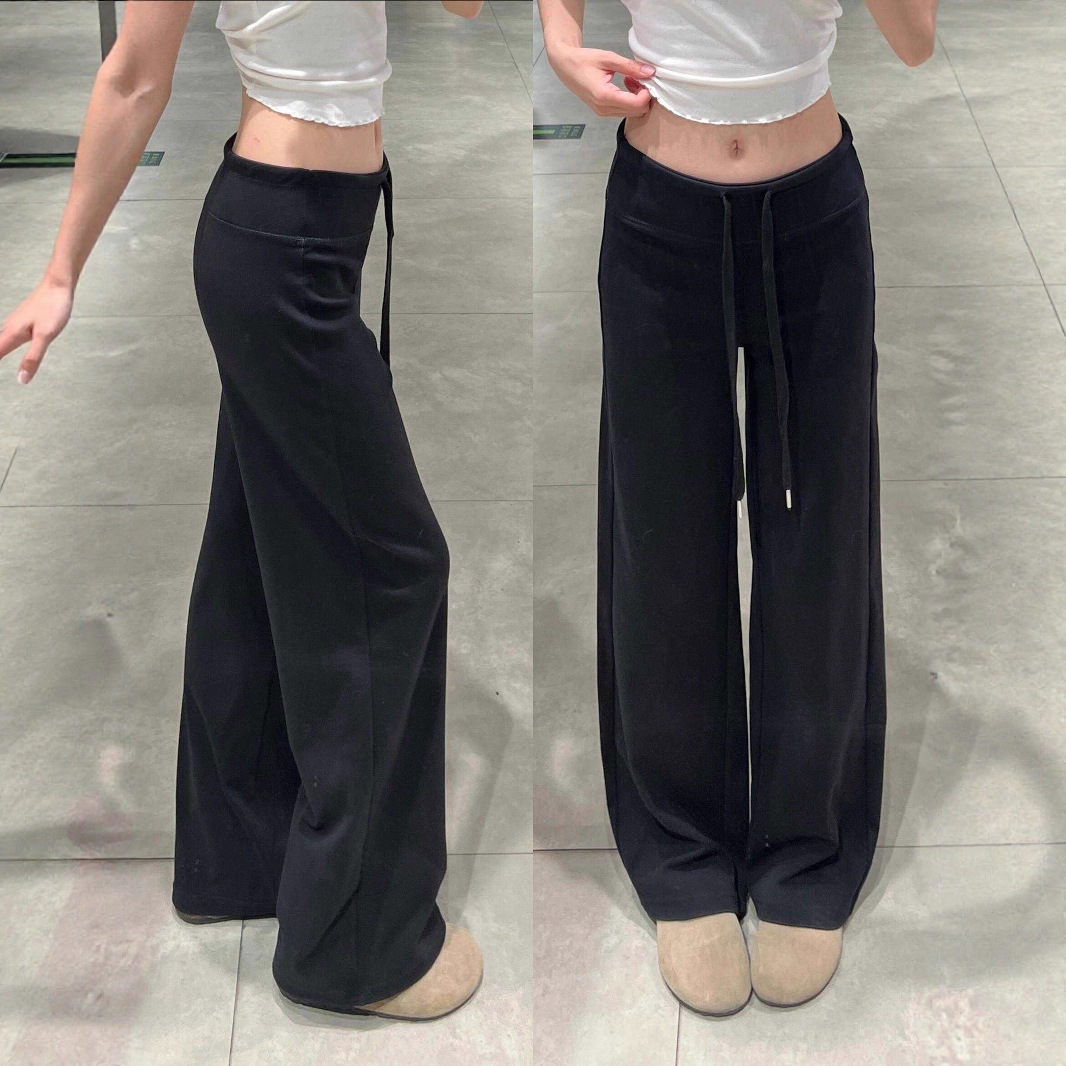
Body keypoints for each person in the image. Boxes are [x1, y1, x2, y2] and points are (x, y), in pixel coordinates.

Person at [0, 0, 488, 1021]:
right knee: (395, 572)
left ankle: (241, 855)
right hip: (278, 249)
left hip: (312, 237)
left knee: (252, 554)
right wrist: (59, 273)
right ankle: (356, 947)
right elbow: (134, 73)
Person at [539, 0, 937, 1014]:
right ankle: (683, 847)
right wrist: (558, 38)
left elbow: (915, 38)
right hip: (658, 208)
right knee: (664, 535)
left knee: (819, 537)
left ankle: (808, 843)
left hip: (813, 209)